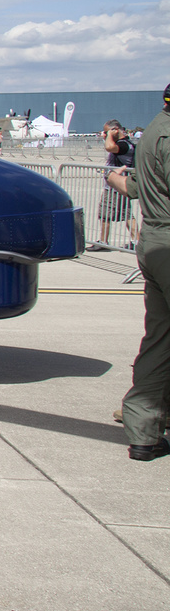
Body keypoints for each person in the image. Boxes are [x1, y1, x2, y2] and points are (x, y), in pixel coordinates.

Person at [107, 83, 170, 461]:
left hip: (155, 240)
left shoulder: (154, 130)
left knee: (160, 338)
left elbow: (138, 186)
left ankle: (145, 428)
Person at [98, 119, 134, 248]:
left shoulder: (123, 145)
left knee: (105, 214)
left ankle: (103, 242)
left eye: (107, 131)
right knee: (127, 214)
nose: (105, 134)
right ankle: (136, 241)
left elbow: (109, 147)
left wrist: (108, 136)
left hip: (115, 185)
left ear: (115, 130)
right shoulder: (125, 143)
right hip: (120, 184)